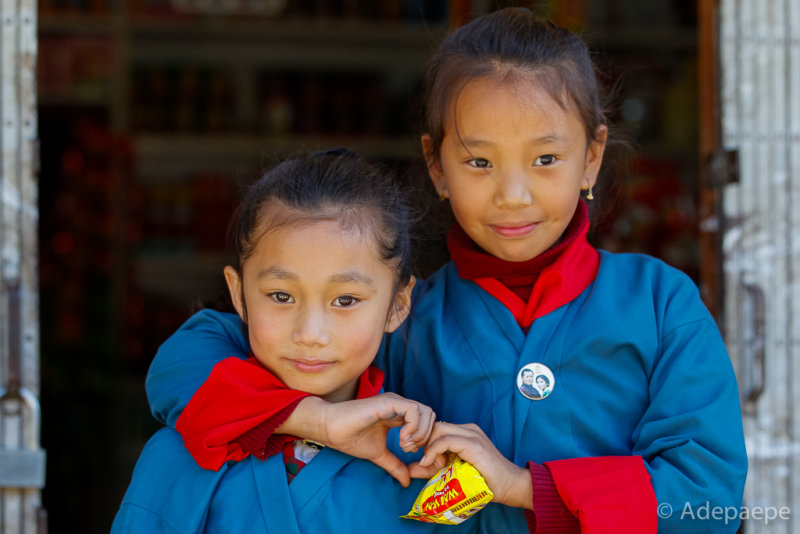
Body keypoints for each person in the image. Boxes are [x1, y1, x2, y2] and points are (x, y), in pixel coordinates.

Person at [145, 8, 748, 533]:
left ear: (591, 157)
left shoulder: (659, 305)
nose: (512, 194)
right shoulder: (398, 319)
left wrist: (520, 486)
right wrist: (318, 419)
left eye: (546, 158)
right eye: (478, 160)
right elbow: (184, 366)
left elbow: (710, 503)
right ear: (437, 165)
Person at [112, 149, 466, 533]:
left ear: (398, 305)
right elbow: (177, 371)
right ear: (239, 293)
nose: (311, 334)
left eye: (345, 300)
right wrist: (319, 421)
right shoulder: (178, 459)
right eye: (281, 296)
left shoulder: (427, 475)